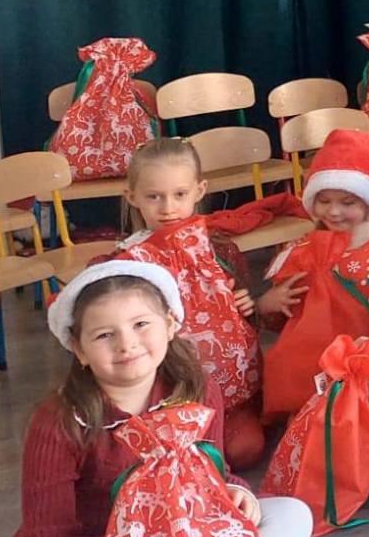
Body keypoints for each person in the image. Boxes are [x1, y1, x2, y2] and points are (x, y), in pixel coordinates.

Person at [1, 260, 316, 537]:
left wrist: (236, 492)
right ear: (79, 349)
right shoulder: (60, 421)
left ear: (169, 324)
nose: (126, 344)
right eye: (105, 335)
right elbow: (48, 534)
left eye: (140, 324)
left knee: (291, 513)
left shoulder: (198, 390)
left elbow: (214, 473)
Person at [108, 139, 265, 468]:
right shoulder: (126, 264)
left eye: (179, 194)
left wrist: (246, 305)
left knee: (245, 450)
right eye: (154, 197)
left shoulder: (221, 250)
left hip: (233, 393)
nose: (168, 208)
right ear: (132, 197)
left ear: (199, 190)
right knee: (175, 458)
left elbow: (244, 322)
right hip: (167, 393)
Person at [257, 129, 369, 422]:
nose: (334, 211)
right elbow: (283, 321)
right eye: (324, 200)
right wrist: (268, 303)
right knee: (315, 424)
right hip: (318, 365)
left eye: (347, 202)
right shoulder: (302, 249)